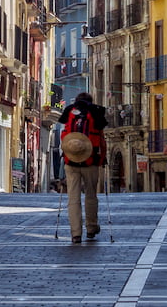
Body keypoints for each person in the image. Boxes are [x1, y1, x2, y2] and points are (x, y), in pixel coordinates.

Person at [58, 92, 107, 243]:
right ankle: (91, 228)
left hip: (71, 160)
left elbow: (63, 131)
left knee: (73, 198)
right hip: (90, 160)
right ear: (90, 101)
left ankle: (76, 234)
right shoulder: (96, 111)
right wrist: (103, 159)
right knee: (91, 195)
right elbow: (101, 137)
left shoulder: (69, 110)